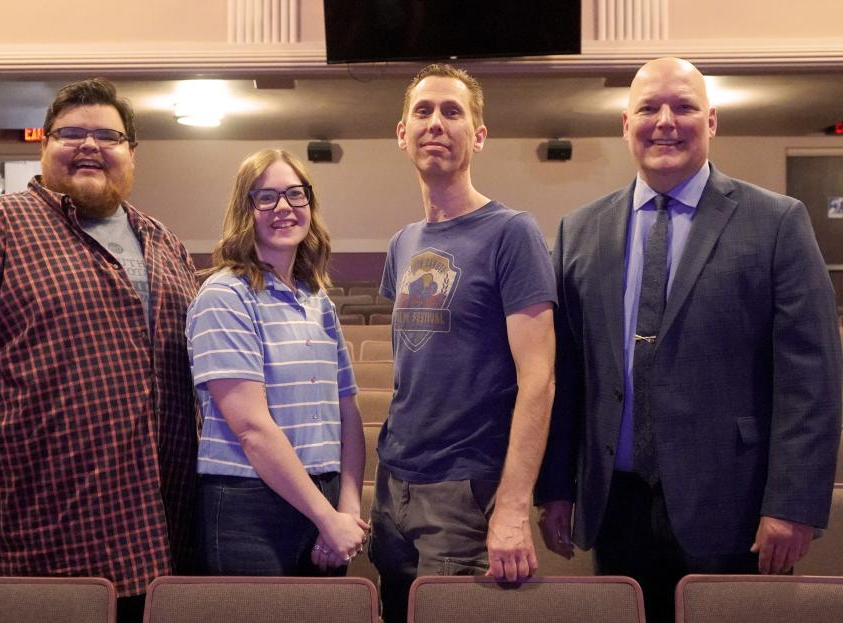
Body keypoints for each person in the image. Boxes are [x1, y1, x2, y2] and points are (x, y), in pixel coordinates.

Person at [535, 57, 843, 623]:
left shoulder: (776, 222)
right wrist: (556, 487)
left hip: (738, 507)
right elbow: (568, 374)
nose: (666, 121)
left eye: (684, 107)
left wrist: (792, 506)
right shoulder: (579, 229)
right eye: (649, 108)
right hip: (618, 504)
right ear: (625, 124)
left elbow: (812, 382)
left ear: (713, 121)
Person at [0, 78, 199, 623]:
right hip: (30, 517)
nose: (90, 145)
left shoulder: (163, 241)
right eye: (71, 133)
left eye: (108, 135)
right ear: (44, 145)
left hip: (154, 516)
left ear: (131, 153)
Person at [369, 64, 557, 623]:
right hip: (394, 481)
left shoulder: (512, 233)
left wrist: (514, 507)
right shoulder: (403, 242)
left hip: (464, 490)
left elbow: (539, 380)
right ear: (402, 134)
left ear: (478, 135)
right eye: (423, 112)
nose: (436, 123)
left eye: (453, 112)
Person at [186, 148, 368, 576]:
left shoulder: (316, 299)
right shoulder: (225, 295)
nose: (283, 207)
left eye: (294, 194)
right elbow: (251, 429)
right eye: (265, 197)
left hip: (322, 498)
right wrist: (326, 517)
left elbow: (347, 410)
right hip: (248, 508)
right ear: (244, 210)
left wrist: (347, 508)